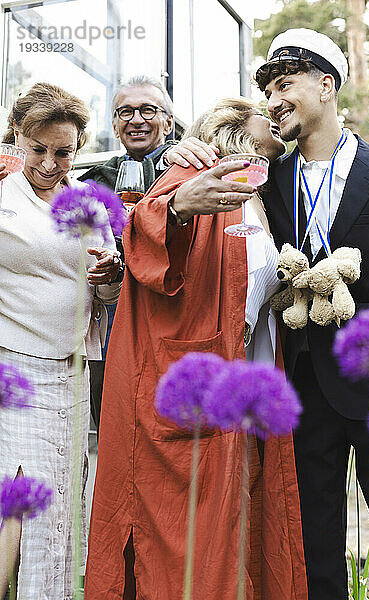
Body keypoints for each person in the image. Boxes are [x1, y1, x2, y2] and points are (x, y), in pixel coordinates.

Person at [169, 28, 369, 600]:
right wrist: (178, 153)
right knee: (313, 553)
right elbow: (194, 182)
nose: (272, 99)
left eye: (284, 83)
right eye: (266, 88)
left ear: (327, 85)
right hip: (299, 390)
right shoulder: (264, 180)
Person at [84, 98, 308, 600]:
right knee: (184, 530)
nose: (275, 121)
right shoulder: (193, 169)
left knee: (235, 525)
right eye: (262, 117)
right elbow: (142, 226)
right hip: (186, 382)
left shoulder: (263, 195)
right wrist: (181, 203)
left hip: (245, 386)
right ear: (235, 128)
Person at [0, 82, 121, 600]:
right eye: (39, 149)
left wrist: (113, 276)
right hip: (16, 369)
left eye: (63, 151)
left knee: (60, 509)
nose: (50, 162)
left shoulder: (90, 203)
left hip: (72, 372)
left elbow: (111, 292)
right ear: (19, 140)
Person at [78, 75, 176, 432]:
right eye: (125, 112)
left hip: (171, 316)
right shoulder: (94, 180)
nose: (136, 119)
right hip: (112, 318)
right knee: (112, 422)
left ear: (168, 121)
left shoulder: (188, 167)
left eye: (147, 110)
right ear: (116, 125)